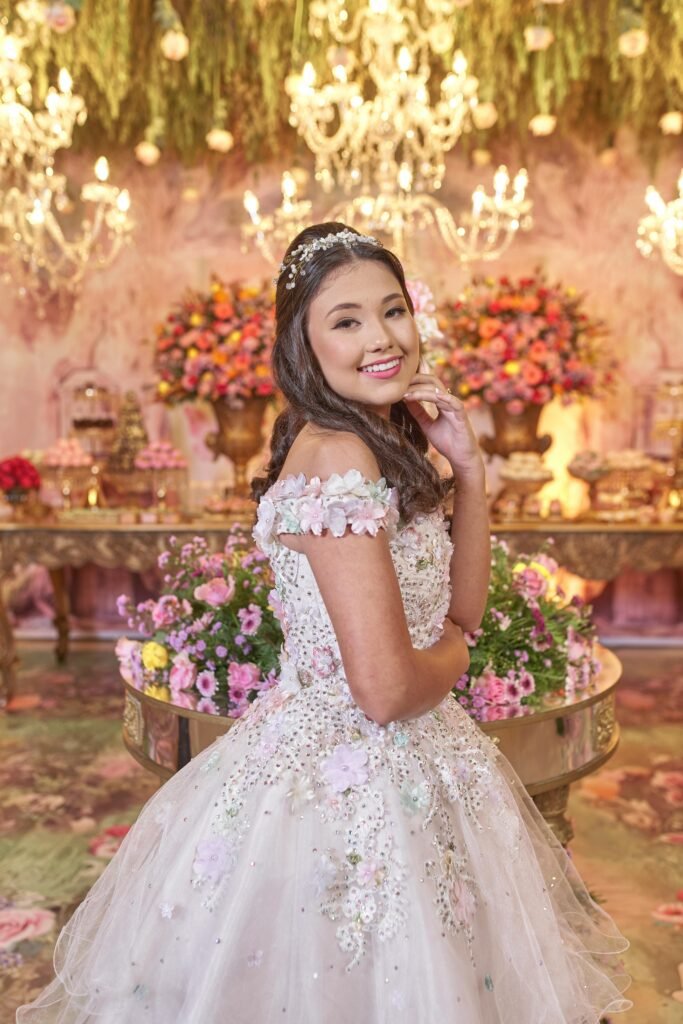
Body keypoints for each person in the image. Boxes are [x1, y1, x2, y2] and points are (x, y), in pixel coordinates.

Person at [17, 223, 631, 1023]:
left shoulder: (378, 443)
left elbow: (462, 608)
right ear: (303, 345)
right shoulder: (339, 456)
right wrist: (455, 653)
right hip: (348, 783)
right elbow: (384, 689)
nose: (381, 339)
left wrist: (470, 470)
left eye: (392, 311)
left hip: (415, 764)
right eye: (345, 321)